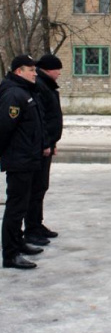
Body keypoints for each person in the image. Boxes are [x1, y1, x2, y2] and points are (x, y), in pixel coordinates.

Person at [0, 55, 51, 269]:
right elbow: (4, 129)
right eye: (31, 70)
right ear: (19, 71)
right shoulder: (13, 94)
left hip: (28, 159)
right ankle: (10, 255)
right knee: (15, 208)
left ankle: (19, 243)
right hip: (19, 161)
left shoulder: (26, 92)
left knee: (21, 207)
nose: (35, 73)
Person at [23, 54, 63, 245]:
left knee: (41, 187)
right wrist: (46, 143)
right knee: (36, 189)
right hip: (40, 148)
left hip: (46, 146)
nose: (60, 73)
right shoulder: (40, 86)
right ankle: (31, 229)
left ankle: (37, 224)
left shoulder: (47, 85)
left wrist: (52, 143)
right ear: (48, 69)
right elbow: (41, 120)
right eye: (58, 69)